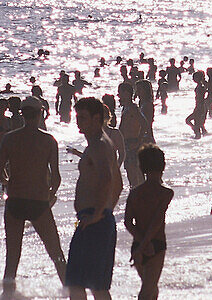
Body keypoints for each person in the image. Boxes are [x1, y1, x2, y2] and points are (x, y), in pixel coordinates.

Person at [0, 95, 67, 290]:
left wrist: (10, 182)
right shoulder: (49, 140)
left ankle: (7, 294)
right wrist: (51, 195)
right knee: (56, 253)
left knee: (12, 255)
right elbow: (57, 178)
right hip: (38, 201)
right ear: (40, 113)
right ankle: (72, 292)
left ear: (22, 114)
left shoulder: (10, 138)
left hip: (15, 199)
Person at [66, 97, 123, 300]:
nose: (78, 121)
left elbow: (108, 179)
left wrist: (98, 213)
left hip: (95, 220)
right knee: (92, 285)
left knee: (78, 284)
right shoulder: (101, 144)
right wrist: (106, 210)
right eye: (77, 117)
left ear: (96, 118)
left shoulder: (99, 145)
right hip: (97, 218)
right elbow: (119, 184)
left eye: (82, 117)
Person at [124, 145, 174, 300]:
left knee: (151, 287)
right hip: (156, 244)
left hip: (137, 245)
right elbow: (157, 222)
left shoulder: (134, 193)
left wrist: (140, 245)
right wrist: (147, 244)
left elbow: (128, 223)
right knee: (147, 290)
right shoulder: (165, 192)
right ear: (163, 166)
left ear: (142, 167)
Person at [119, 81, 153, 187]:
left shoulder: (133, 109)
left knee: (136, 173)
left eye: (120, 93)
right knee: (130, 172)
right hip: (127, 143)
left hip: (133, 142)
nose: (119, 96)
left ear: (126, 93)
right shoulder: (125, 108)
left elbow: (144, 124)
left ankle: (140, 195)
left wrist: (139, 139)